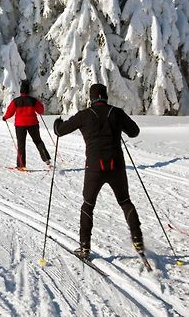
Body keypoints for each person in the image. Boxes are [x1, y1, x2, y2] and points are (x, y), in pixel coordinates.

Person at [53, 83, 143, 260]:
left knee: (88, 204)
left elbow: (59, 131)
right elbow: (134, 132)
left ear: (91, 98)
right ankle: (138, 240)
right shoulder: (116, 112)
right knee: (125, 201)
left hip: (94, 167)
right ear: (106, 97)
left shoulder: (85, 115)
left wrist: (58, 122)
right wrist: (119, 126)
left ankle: (84, 248)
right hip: (116, 166)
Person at [3, 80, 52, 170]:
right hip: (33, 124)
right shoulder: (33, 100)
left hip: (20, 125)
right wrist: (39, 103)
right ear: (28, 91)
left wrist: (5, 117)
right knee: (38, 141)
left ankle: (21, 165)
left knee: (21, 145)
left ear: (21, 91)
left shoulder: (16, 101)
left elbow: (10, 112)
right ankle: (47, 160)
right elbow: (40, 111)